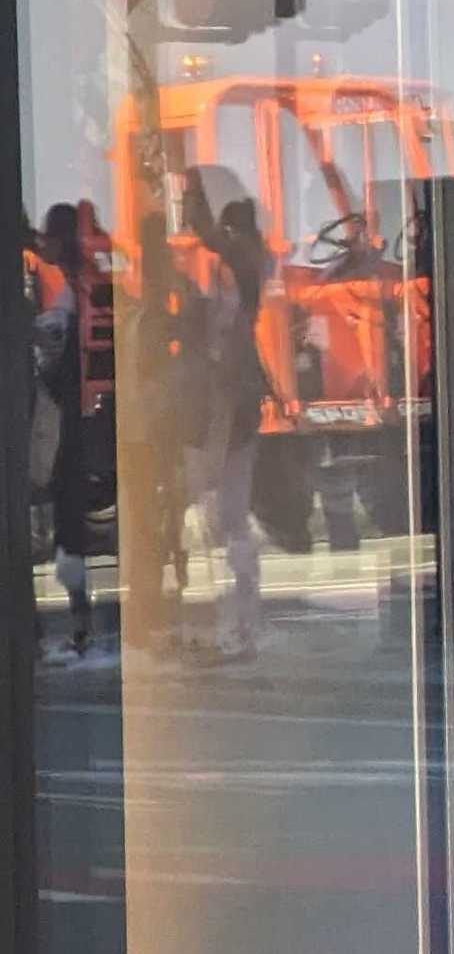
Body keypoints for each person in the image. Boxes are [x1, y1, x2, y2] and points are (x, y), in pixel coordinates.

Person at [187, 189, 271, 660]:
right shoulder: (251, 268)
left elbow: (207, 234)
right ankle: (243, 611)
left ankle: (235, 615)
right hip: (242, 400)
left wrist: (194, 190)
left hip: (228, 401)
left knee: (218, 504)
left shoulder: (235, 276)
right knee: (232, 505)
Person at [25, 205, 96, 655]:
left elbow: (56, 362)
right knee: (69, 526)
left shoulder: (69, 293)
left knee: (67, 524)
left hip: (63, 425)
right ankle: (78, 623)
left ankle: (77, 627)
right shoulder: (83, 282)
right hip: (75, 425)